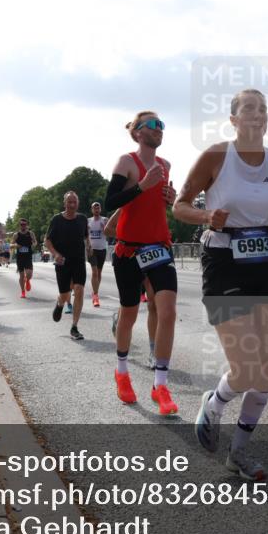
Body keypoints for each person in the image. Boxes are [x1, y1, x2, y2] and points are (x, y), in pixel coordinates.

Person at [174, 88, 268, 481]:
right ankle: (213, 405)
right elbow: (179, 205)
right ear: (233, 120)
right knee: (245, 367)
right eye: (248, 108)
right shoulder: (216, 155)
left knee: (265, 369)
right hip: (224, 261)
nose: (257, 114)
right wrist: (207, 215)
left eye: (263, 109)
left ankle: (240, 453)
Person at [104, 110, 179, 415]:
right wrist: (142, 186)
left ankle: (160, 385)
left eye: (161, 124)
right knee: (130, 314)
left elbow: (159, 204)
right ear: (137, 133)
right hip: (129, 250)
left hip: (159, 246)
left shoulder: (165, 165)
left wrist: (170, 198)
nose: (158, 129)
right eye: (151, 125)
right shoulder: (126, 162)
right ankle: (122, 372)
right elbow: (110, 202)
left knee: (168, 312)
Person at [104, 208, 158, 368]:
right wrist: (132, 235)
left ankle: (153, 352)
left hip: (152, 255)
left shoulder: (155, 204)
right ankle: (119, 320)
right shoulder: (128, 205)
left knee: (153, 303)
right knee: (130, 305)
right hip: (128, 257)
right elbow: (108, 229)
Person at [45, 191, 90, 340]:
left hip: (78, 260)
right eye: (69, 202)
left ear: (78, 203)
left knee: (79, 289)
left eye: (74, 202)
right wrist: (55, 254)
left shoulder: (83, 219)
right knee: (65, 294)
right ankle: (60, 303)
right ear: (64, 203)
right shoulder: (57, 220)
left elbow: (85, 234)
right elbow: (48, 241)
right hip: (62, 261)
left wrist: (88, 245)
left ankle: (74, 326)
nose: (72, 205)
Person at [87, 202, 109, 308]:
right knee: (94, 272)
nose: (96, 209)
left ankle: (95, 291)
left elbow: (109, 233)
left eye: (98, 208)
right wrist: (88, 247)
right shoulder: (88, 221)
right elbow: (85, 236)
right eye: (94, 208)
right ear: (91, 210)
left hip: (102, 249)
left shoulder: (105, 220)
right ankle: (95, 296)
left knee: (99, 273)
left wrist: (104, 228)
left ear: (100, 209)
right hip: (92, 250)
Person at [14, 219, 37, 298]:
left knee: (29, 274)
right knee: (21, 275)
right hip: (20, 257)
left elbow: (35, 241)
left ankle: (27, 281)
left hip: (28, 256)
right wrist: (16, 245)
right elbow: (11, 243)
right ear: (19, 225)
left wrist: (34, 244)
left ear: (27, 225)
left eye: (24, 224)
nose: (23, 226)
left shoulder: (30, 233)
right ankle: (23, 292)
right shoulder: (16, 234)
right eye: (21, 224)